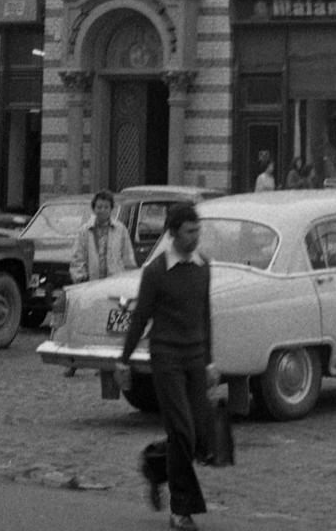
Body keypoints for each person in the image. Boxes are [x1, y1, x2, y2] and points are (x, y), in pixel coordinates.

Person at [114, 202, 218, 531]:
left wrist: (211, 361)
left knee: (199, 435)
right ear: (174, 234)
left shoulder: (203, 266)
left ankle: (155, 467)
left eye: (198, 230)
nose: (196, 236)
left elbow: (204, 315)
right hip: (167, 358)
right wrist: (123, 359)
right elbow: (140, 317)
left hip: (196, 357)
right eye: (190, 231)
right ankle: (180, 511)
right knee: (182, 430)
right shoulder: (157, 272)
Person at [69, 189, 136, 283]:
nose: (102, 210)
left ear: (111, 209)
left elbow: (128, 257)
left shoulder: (120, 229)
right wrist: (80, 278)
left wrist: (127, 279)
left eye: (106, 207)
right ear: (94, 209)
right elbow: (78, 258)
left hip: (115, 283)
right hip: (90, 284)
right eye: (99, 207)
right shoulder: (85, 231)